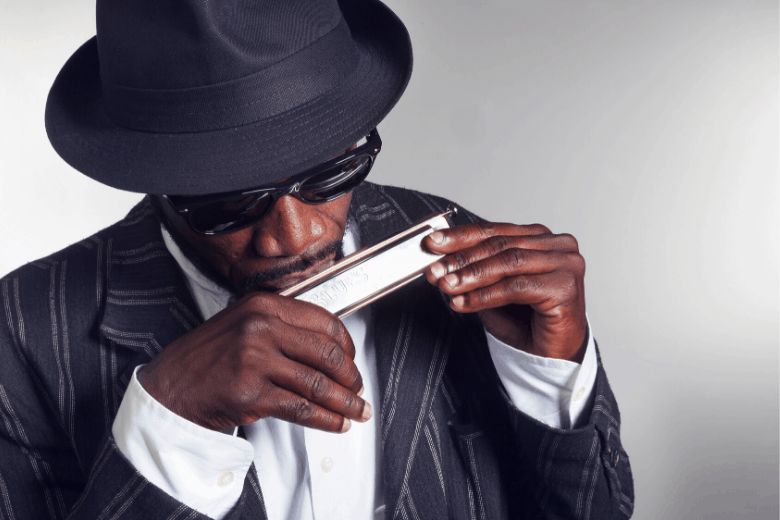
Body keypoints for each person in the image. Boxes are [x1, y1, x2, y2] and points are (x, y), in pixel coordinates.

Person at [0, 0, 634, 518]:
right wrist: (174, 431)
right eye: (230, 201)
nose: (294, 236)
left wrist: (548, 379)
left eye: (332, 171)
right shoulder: (25, 332)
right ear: (155, 176)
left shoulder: (460, 243)